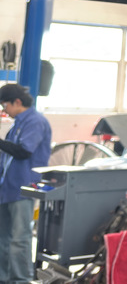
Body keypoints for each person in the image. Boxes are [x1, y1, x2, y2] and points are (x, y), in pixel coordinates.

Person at [0, 83, 52, 284]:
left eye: (5, 106)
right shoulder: (17, 124)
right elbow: (6, 157)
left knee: (19, 239)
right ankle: (4, 278)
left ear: (17, 102)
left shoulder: (35, 122)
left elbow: (24, 151)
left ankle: (21, 279)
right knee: (3, 237)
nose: (5, 111)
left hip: (22, 189)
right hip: (7, 188)